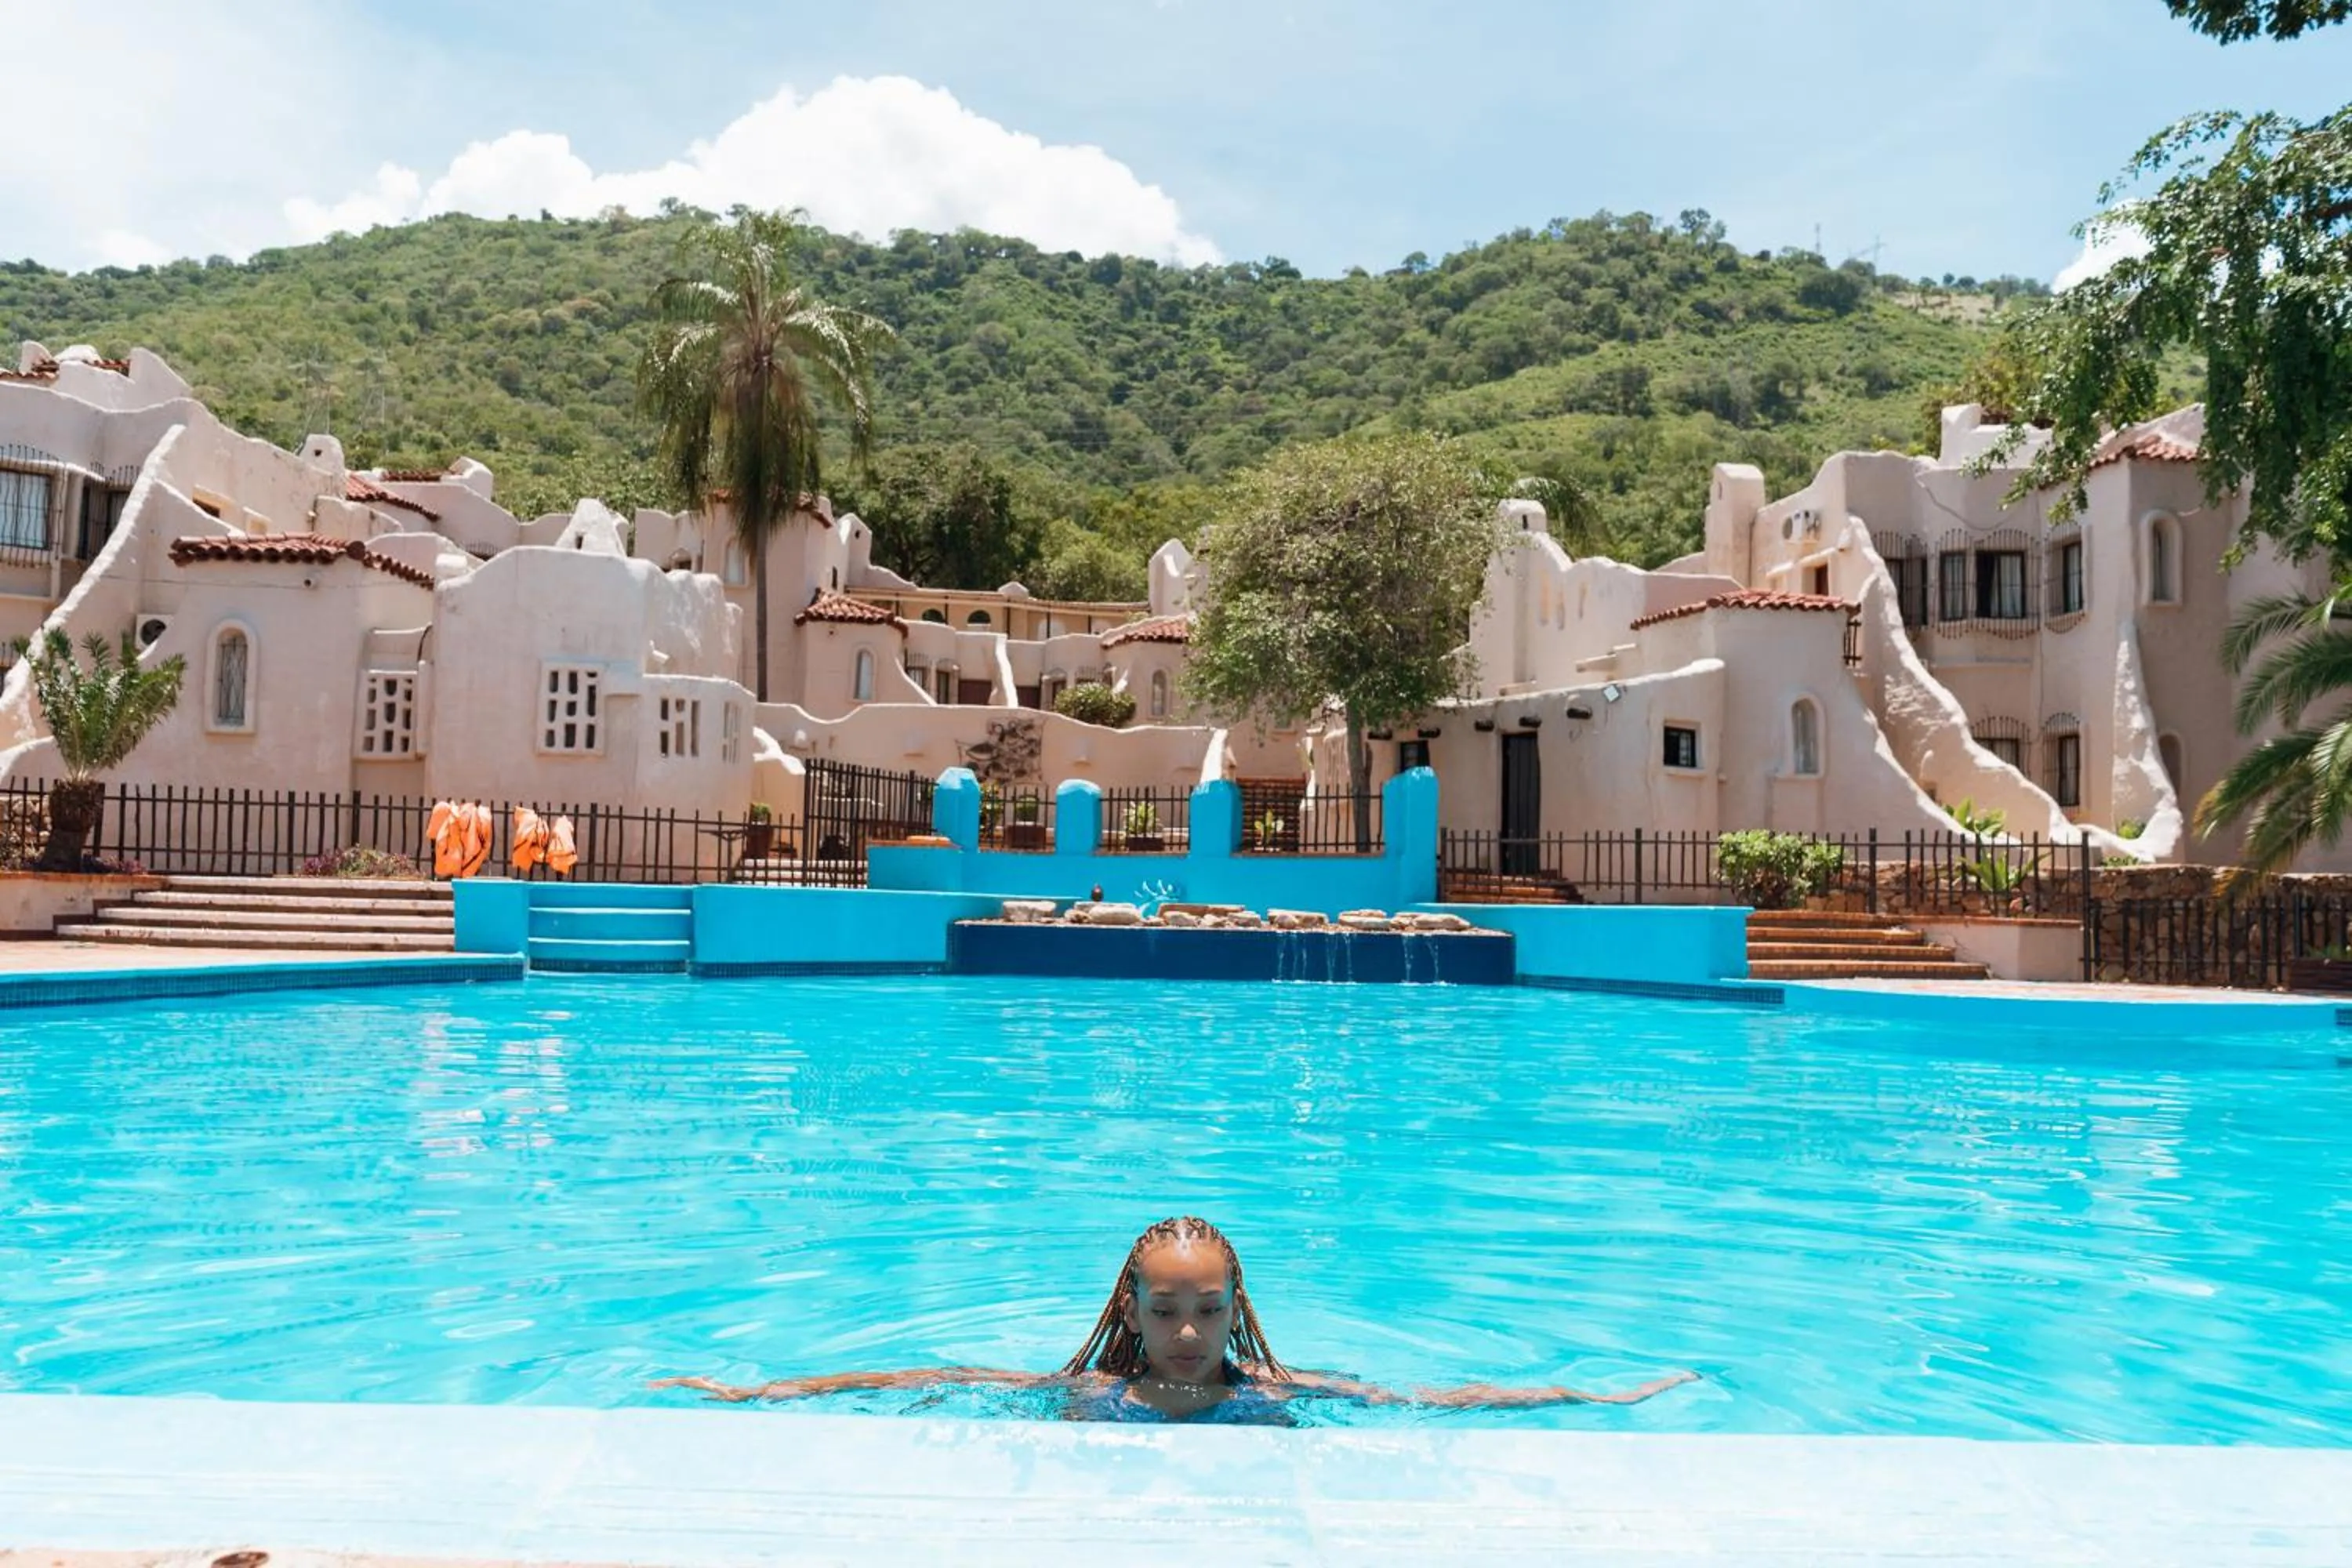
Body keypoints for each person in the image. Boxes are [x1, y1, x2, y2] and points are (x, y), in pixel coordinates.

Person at [652, 1215, 1699, 1425]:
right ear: (1131, 1311)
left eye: (1208, 1311)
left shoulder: (1274, 1395)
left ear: (1239, 1312)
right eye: (1167, 1312)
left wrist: (1596, 1393)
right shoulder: (1092, 1395)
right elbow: (916, 1380)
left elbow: (1439, 1401)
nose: (1188, 1333)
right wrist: (758, 1392)